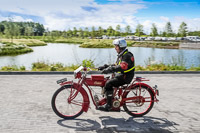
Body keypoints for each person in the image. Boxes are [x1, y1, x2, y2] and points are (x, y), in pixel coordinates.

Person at [98, 38, 135, 111]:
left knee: (109, 84)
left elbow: (122, 67)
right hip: (121, 75)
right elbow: (116, 65)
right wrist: (105, 66)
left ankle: (108, 105)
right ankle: (109, 99)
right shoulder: (122, 54)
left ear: (120, 47)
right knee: (105, 81)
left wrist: (109, 69)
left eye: (116, 46)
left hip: (125, 77)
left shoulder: (127, 56)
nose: (115, 48)